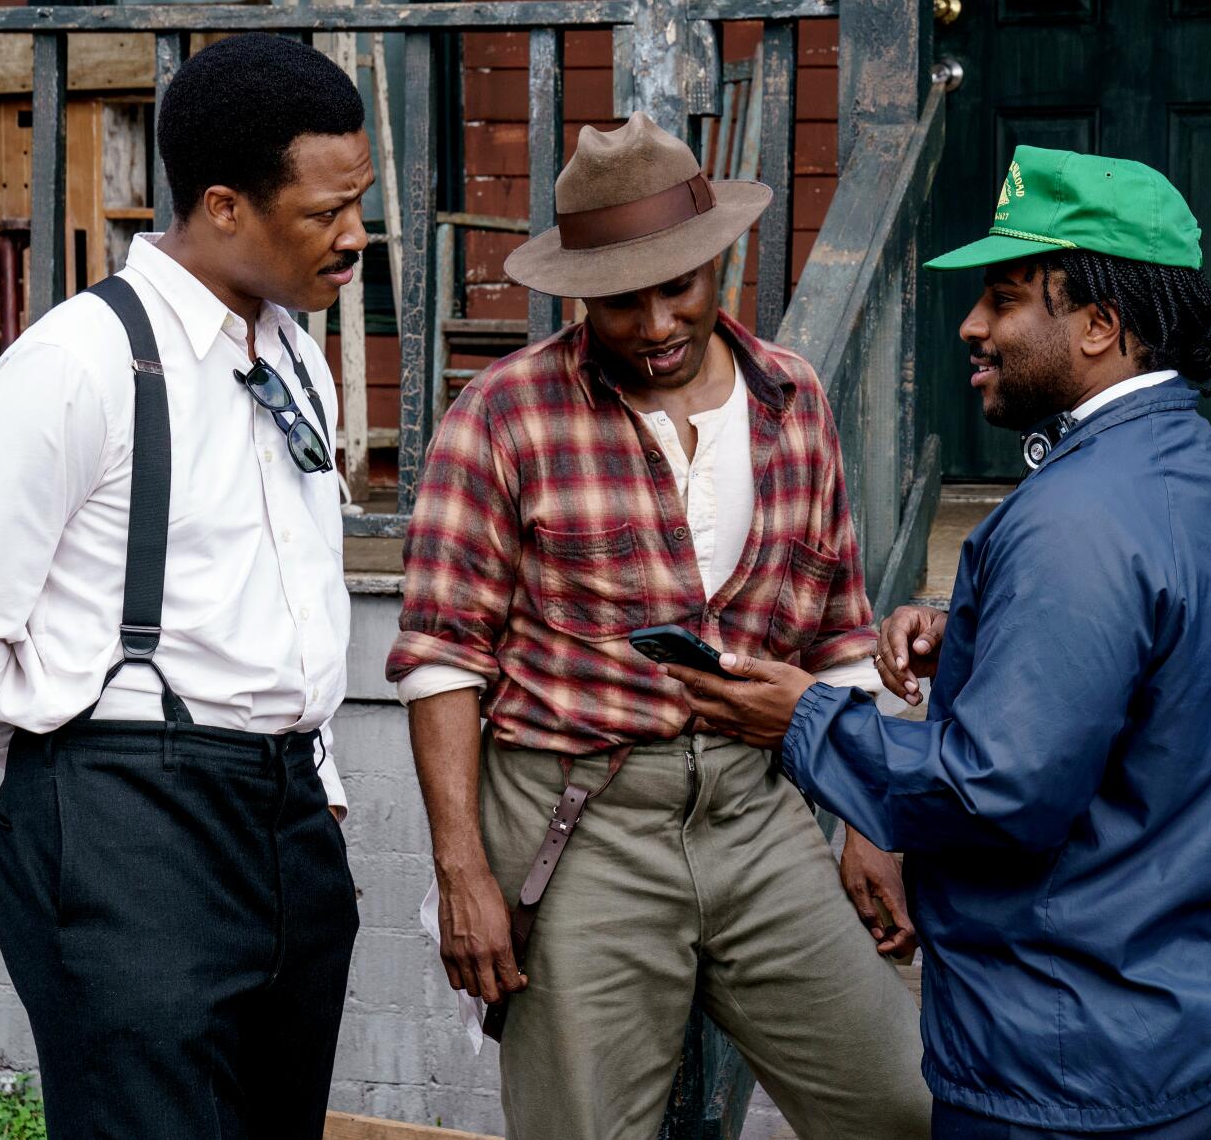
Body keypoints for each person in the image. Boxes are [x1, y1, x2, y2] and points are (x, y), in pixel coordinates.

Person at [665, 146, 1211, 1139]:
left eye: (1005, 299)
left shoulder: (1077, 519)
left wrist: (802, 717)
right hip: (1199, 1016)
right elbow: (1162, 690)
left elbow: (994, 790)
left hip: (1069, 1059)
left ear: (1101, 325)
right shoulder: (1209, 480)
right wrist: (978, 634)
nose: (970, 325)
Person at [387, 112, 934, 1140]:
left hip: (757, 813)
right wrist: (462, 871)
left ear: (715, 264)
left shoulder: (791, 398)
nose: (652, 323)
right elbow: (439, 660)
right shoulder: (504, 413)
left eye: (675, 287)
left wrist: (868, 821)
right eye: (618, 299)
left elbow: (836, 628)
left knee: (905, 1102)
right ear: (575, 294)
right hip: (578, 821)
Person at [0, 34, 371, 1139]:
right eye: (323, 211)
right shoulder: (76, 365)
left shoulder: (295, 354)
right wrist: (71, 761)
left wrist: (317, 775)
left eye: (360, 202)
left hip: (288, 810)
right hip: (127, 820)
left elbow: (289, 589)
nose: (353, 238)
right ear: (224, 207)